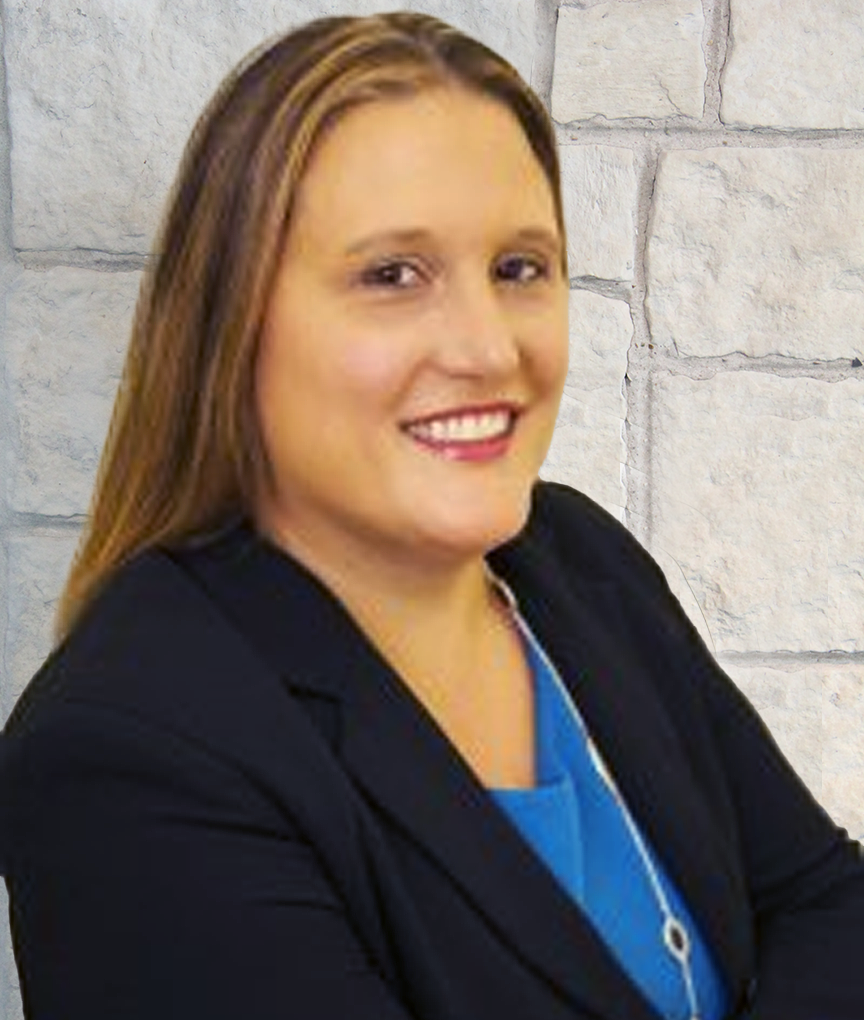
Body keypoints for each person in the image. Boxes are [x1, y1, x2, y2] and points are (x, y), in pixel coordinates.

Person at [1, 10, 863, 1020]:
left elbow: (827, 902)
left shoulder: (575, 559)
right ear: (229, 327)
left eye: (519, 269)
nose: (491, 349)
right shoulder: (130, 757)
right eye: (392, 275)